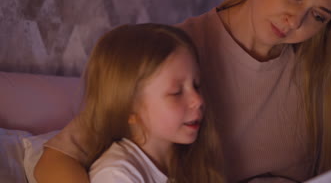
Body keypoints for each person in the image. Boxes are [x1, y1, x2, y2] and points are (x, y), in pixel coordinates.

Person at [35, 0, 331, 183]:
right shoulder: (175, 57)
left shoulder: (314, 84)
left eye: (319, 16)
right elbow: (58, 159)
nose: (295, 20)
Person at [50, 23, 224, 182]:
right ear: (128, 109)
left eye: (197, 85)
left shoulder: (188, 163)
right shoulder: (116, 174)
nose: (198, 100)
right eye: (176, 92)